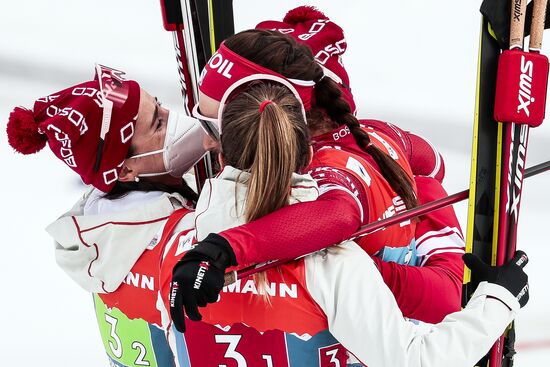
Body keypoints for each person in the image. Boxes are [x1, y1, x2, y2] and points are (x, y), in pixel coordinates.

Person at [167, 80, 530, 367]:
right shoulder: (334, 264)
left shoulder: (174, 240)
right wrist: (499, 299)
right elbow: (417, 359)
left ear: (220, 152)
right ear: (308, 153)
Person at [173, 21, 464, 324]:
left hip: (400, 324)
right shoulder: (368, 132)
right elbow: (432, 162)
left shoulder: (320, 169)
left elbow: (340, 214)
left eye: (212, 127)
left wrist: (226, 247)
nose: (206, 142)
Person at [5, 64, 206, 365]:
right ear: (125, 169)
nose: (172, 118)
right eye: (157, 124)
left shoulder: (105, 220)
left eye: (160, 107)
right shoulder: (165, 232)